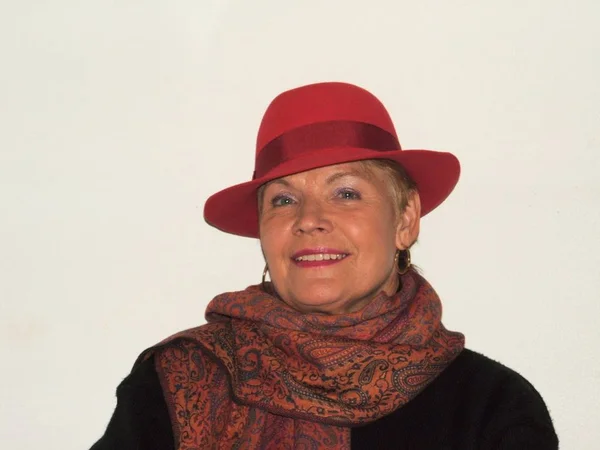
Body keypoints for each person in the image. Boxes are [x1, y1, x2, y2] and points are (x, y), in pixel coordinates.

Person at [90, 82, 558, 449]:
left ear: (405, 219)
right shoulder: (174, 384)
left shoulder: (493, 408)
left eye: (346, 193)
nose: (309, 220)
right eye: (284, 199)